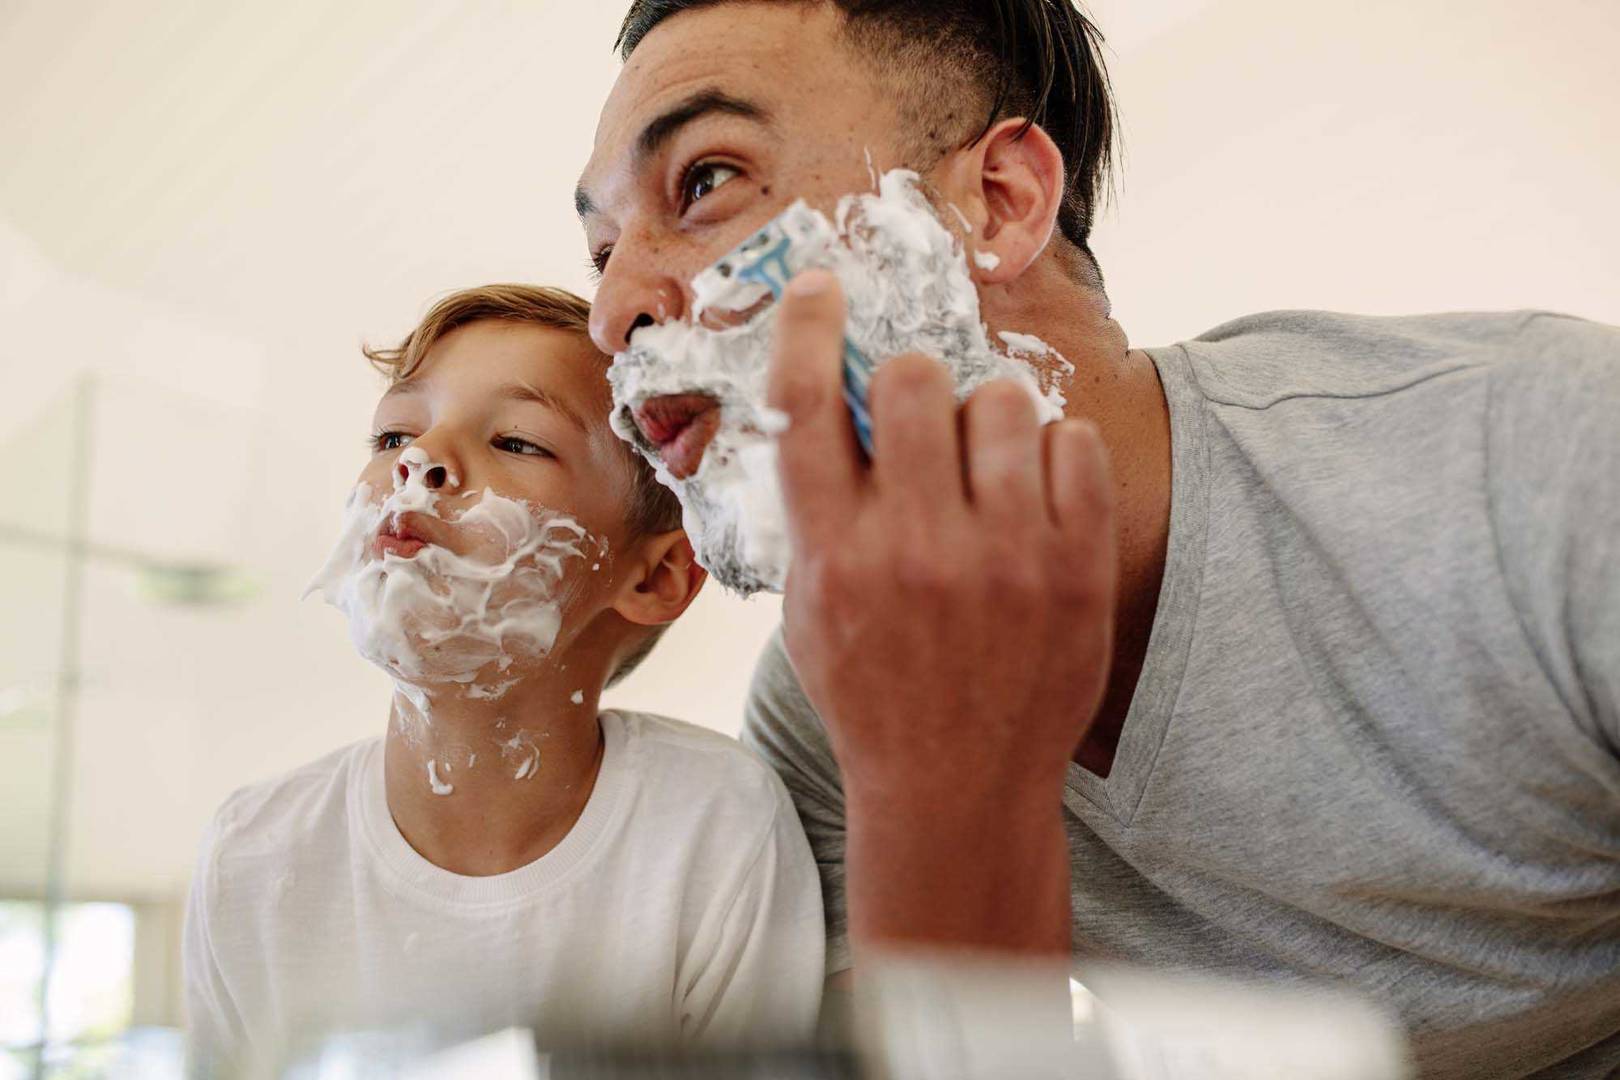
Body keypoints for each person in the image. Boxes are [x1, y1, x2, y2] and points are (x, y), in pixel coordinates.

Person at [573, 2, 1620, 1076]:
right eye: (601, 252)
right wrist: (934, 773)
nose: (610, 313)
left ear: (997, 201)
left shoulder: (1541, 454)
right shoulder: (818, 715)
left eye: (703, 181)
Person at [182, 285, 824, 1076]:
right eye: (391, 434)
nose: (418, 462)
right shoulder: (257, 853)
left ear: (656, 576)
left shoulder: (711, 824)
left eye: (518, 442)